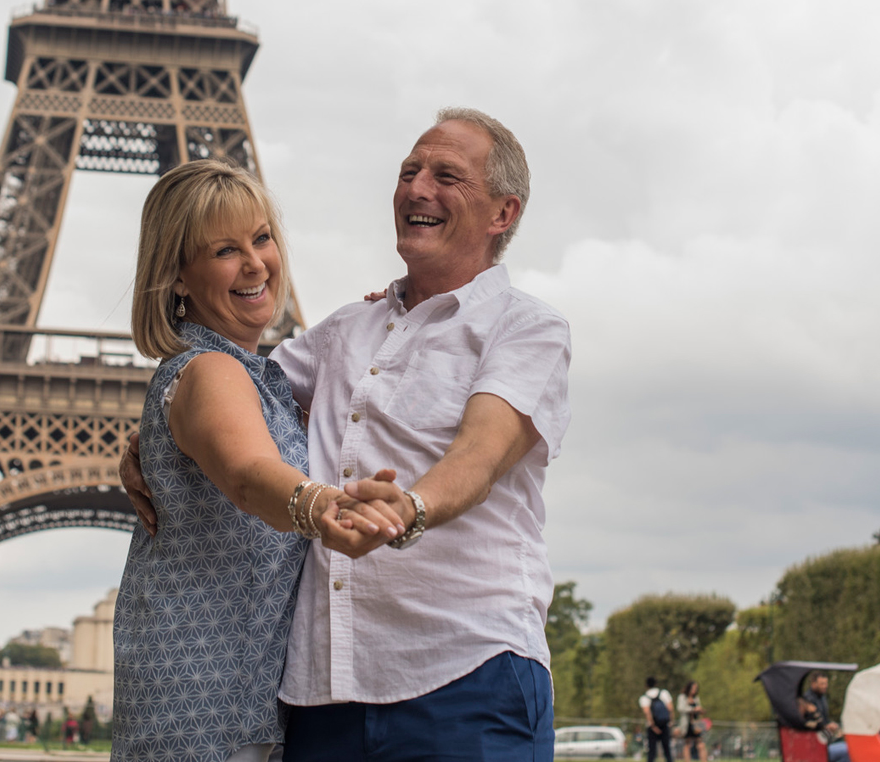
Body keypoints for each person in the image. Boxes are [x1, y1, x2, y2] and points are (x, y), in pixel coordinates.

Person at [123, 109, 572, 761]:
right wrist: (151, 442)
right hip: (320, 693)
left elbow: (482, 450)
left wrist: (412, 505)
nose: (418, 188)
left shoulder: (527, 327)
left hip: (464, 667)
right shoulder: (342, 331)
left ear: (503, 214)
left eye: (446, 175)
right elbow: (222, 400)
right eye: (409, 171)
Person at [112, 160, 404, 762]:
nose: (254, 263)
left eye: (262, 238)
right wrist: (321, 503)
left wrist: (391, 311)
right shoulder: (212, 369)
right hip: (204, 703)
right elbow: (247, 476)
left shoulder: (256, 376)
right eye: (224, 250)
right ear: (177, 277)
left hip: (233, 695)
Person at [642, 677, 676, 762]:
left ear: (646, 685)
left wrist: (653, 726)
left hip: (652, 726)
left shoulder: (644, 697)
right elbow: (670, 708)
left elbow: (647, 713)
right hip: (665, 724)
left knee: (652, 750)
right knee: (667, 749)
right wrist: (671, 721)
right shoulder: (664, 693)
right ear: (656, 684)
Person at [677, 682, 707, 761]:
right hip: (687, 724)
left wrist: (701, 710)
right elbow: (680, 708)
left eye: (696, 689)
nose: (694, 690)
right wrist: (693, 709)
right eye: (693, 688)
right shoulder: (682, 697)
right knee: (687, 744)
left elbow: (698, 707)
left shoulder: (696, 698)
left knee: (701, 744)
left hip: (696, 723)